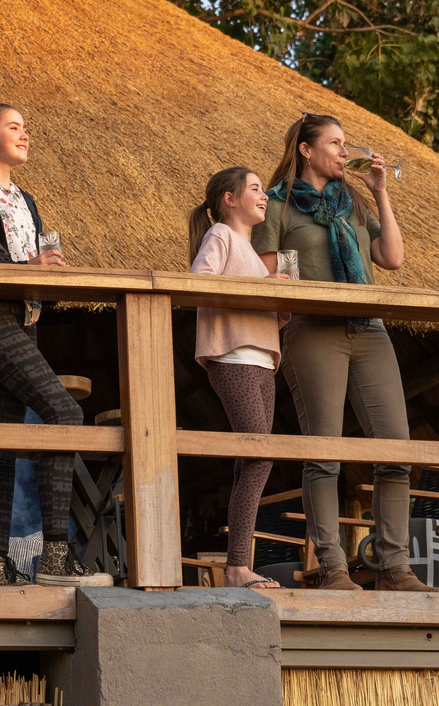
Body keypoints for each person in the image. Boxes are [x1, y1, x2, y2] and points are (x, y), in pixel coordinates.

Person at [252, 113, 427, 593]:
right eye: (335, 142)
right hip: (313, 330)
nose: (345, 151)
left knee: (395, 448)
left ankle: (394, 568)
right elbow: (268, 278)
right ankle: (333, 569)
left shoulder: (350, 200)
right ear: (306, 150)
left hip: (369, 328)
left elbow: (391, 258)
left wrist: (380, 191)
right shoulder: (277, 206)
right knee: (323, 452)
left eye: (346, 143)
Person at [0, 104, 110, 588]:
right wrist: (23, 268)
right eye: (14, 127)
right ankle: (55, 555)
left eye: (26, 128)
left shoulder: (26, 200)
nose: (25, 134)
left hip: (25, 317)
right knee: (66, 413)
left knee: (4, 437)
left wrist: (43, 271)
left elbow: (28, 264)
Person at [188, 166, 288, 591]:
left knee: (253, 456)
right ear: (229, 200)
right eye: (254, 188)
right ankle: (236, 567)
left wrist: (280, 295)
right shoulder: (221, 237)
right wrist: (262, 290)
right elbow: (198, 282)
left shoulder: (251, 251)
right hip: (235, 354)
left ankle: (237, 565)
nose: (263, 195)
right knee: (260, 454)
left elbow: (270, 318)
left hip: (263, 358)